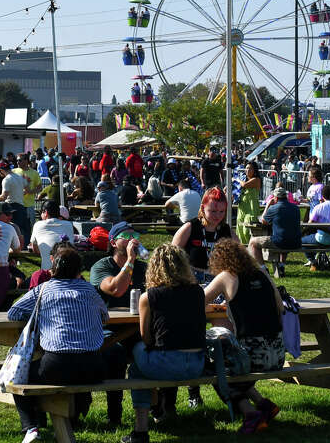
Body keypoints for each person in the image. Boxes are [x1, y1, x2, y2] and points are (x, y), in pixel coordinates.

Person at [8, 242, 124, 443]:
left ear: (54, 267)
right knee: (117, 353)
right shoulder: (89, 290)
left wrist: (39, 316)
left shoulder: (43, 290)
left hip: (56, 366)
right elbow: (104, 316)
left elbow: (14, 312)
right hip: (93, 368)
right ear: (79, 270)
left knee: (17, 376)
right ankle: (113, 415)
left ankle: (31, 426)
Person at [123, 244, 207, 443]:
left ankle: (141, 429)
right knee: (143, 362)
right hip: (196, 364)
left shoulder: (148, 297)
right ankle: (158, 409)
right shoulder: (198, 292)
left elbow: (146, 338)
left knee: (136, 365)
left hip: (166, 363)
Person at [203, 238, 285, 434]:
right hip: (278, 355)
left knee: (216, 365)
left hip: (254, 355)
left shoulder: (226, 276)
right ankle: (262, 403)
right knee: (232, 362)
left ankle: (250, 413)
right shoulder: (262, 274)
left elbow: (196, 301)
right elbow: (280, 307)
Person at [171, 187, 232, 280]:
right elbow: (171, 257)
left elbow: (240, 260)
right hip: (191, 281)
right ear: (203, 208)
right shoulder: (189, 228)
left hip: (219, 281)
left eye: (222, 211)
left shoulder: (227, 231)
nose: (217, 216)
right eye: (213, 211)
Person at [90, 221, 148, 308]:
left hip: (137, 319)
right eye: (126, 236)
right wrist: (130, 259)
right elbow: (116, 290)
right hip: (110, 320)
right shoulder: (101, 267)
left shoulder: (143, 267)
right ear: (113, 243)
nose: (132, 240)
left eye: (134, 236)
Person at [249, 185, 302, 277]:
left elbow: (263, 221)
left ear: (275, 198)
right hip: (296, 242)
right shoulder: (296, 208)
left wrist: (268, 206)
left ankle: (263, 268)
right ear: (285, 196)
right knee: (285, 234)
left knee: (253, 242)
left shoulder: (274, 208)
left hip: (280, 241)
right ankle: (281, 265)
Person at [304, 183, 330, 272]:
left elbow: (309, 224)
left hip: (321, 239)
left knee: (302, 241)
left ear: (322, 196)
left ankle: (313, 261)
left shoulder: (318, 208)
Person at [29, 200, 75, 270]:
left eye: (41, 212)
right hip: (69, 271)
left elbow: (35, 248)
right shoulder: (69, 224)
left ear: (46, 212)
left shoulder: (38, 225)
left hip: (48, 271)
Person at [235, 162, 262, 245]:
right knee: (240, 231)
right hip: (242, 208)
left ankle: (251, 251)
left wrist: (237, 179)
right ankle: (243, 251)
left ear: (254, 170)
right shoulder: (243, 179)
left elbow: (245, 185)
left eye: (250, 168)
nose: (247, 170)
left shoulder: (256, 180)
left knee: (246, 231)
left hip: (251, 208)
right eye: (246, 168)